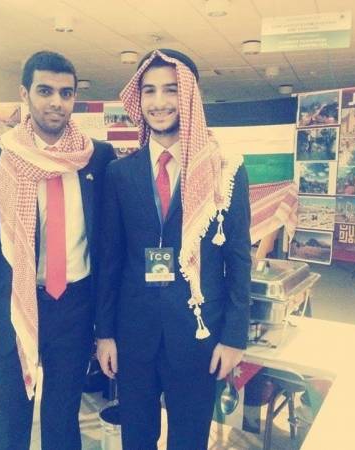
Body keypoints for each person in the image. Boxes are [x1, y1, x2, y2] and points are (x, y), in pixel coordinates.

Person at [95, 49, 252, 449]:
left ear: (190, 97)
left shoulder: (225, 170)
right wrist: (105, 334)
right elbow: (110, 261)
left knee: (189, 441)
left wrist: (234, 337)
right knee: (137, 439)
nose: (159, 101)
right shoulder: (120, 173)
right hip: (134, 334)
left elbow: (238, 259)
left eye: (171, 89)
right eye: (149, 91)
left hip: (198, 334)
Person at [0, 50, 115, 450]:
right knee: (9, 423)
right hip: (14, 309)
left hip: (75, 308)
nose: (56, 102)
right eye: (45, 91)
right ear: (25, 94)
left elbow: (107, 248)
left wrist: (105, 326)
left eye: (66, 93)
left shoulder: (96, 157)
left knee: (63, 422)